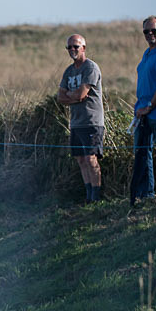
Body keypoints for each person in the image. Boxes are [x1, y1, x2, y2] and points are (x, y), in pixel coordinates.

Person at [57, 34, 105, 203]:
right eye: (69, 47)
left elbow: (82, 94)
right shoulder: (69, 71)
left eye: (75, 47)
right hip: (76, 122)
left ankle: (96, 196)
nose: (72, 50)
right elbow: (60, 97)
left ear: (83, 48)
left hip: (92, 121)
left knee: (92, 159)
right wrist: (74, 96)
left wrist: (73, 95)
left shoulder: (90, 68)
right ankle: (88, 194)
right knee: (80, 158)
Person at [132, 15, 156, 204]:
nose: (150, 34)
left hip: (155, 112)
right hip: (142, 112)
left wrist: (150, 106)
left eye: (154, 31)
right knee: (143, 152)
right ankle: (146, 193)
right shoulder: (147, 54)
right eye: (146, 31)